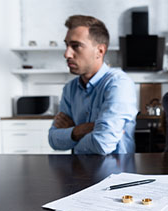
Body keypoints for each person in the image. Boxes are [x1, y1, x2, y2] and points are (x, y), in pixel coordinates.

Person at [48, 15, 137, 155]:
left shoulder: (119, 84)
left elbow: (102, 144)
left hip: (116, 174)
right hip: (78, 173)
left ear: (100, 51)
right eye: (67, 45)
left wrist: (72, 133)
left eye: (76, 46)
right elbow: (53, 140)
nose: (67, 54)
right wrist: (84, 129)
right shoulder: (70, 89)